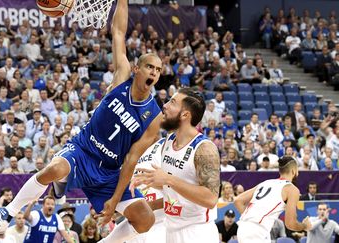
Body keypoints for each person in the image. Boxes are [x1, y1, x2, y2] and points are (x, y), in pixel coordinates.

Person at [0, 0, 163, 241]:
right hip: (83, 150)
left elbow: (132, 160)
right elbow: (118, 31)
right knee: (55, 169)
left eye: (158, 69)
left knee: (145, 220)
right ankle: (4, 214)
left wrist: (114, 200)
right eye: (149, 66)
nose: (154, 72)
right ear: (137, 69)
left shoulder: (154, 116)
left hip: (110, 172)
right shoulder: (122, 75)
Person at [134, 89, 220, 242]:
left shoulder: (204, 149)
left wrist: (168, 180)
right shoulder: (168, 140)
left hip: (197, 233)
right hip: (171, 230)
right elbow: (178, 194)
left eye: (172, 102)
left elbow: (211, 199)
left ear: (185, 115)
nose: (165, 106)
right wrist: (150, 202)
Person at [234, 156, 312, 242]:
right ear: (294, 171)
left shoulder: (266, 182)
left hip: (243, 227)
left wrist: (251, 218)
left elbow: (238, 200)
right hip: (257, 230)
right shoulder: (292, 189)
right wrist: (305, 226)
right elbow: (290, 224)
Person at [127, 138, 166, 243]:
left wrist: (151, 206)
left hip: (161, 224)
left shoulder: (165, 145)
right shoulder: (130, 153)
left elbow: (178, 191)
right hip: (136, 227)